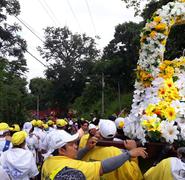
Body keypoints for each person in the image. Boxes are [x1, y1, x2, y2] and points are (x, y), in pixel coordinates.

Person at [41, 130, 147, 180]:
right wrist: (130, 154)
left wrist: (87, 148)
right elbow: (102, 167)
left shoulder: (48, 161)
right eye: (71, 144)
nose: (76, 147)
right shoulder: (73, 167)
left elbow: (76, 156)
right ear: (61, 150)